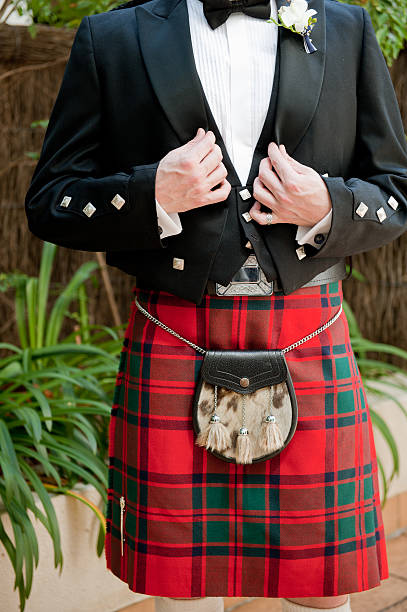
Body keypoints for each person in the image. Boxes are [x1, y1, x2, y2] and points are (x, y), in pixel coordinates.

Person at [25, 0, 407, 609]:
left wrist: (328, 205)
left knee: (320, 591)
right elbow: (51, 200)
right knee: (181, 593)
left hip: (307, 329)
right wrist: (149, 192)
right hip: (175, 330)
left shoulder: (343, 27)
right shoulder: (115, 35)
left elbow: (395, 189)